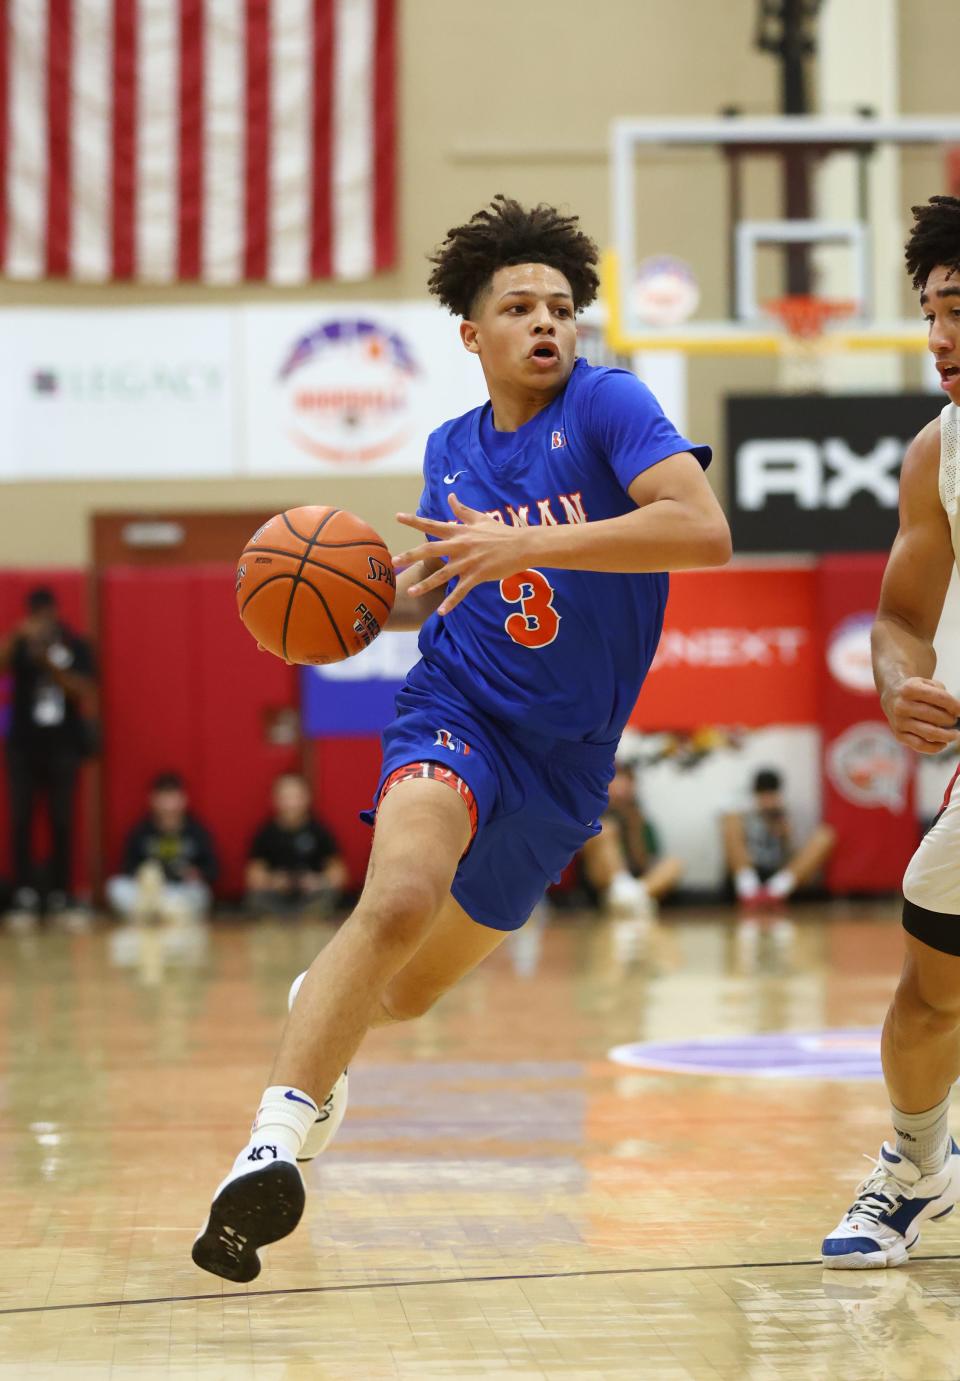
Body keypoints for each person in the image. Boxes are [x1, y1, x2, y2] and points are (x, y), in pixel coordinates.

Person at [192, 195, 731, 1282]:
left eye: (564, 307)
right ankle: (273, 1141)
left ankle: (323, 1026)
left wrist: (520, 543)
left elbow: (703, 531)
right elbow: (456, 580)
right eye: (522, 306)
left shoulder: (611, 405)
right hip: (459, 706)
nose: (549, 323)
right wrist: (353, 602)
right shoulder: (449, 447)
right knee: (394, 897)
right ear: (471, 335)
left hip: (568, 761)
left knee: (409, 991)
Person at [822, 195, 960, 1268]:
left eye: (958, 308)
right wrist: (898, 680)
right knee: (930, 995)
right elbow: (901, 617)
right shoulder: (936, 453)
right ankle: (918, 1165)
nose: (940, 338)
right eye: (929, 314)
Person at [0, 587, 96, 924]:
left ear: (56, 613)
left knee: (62, 819)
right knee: (21, 819)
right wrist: (17, 638)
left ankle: (60, 893)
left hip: (62, 748)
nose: (41, 622)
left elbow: (83, 690)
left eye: (46, 615)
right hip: (23, 748)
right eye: (35, 616)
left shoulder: (73, 645)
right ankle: (24, 893)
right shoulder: (20, 645)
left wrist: (51, 663)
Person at [105, 772, 218, 924]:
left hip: (179, 891)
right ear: (152, 800)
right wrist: (143, 875)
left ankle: (164, 915)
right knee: (115, 886)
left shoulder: (196, 832)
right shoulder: (141, 832)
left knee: (201, 893)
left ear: (183, 800)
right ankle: (154, 914)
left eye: (172, 798)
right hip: (148, 895)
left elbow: (213, 869)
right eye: (163, 798)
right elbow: (127, 867)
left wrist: (195, 873)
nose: (168, 805)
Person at [579, 757, 682, 916]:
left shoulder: (640, 821)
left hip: (637, 881)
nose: (620, 793)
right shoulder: (589, 817)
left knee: (675, 864)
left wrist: (634, 829)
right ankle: (626, 894)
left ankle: (630, 898)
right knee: (604, 830)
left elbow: (644, 863)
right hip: (602, 884)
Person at [722, 767, 835, 906]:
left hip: (780, 878)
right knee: (730, 821)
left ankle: (773, 894)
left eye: (771, 794)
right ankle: (750, 892)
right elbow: (733, 849)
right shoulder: (743, 815)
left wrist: (786, 834)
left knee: (824, 836)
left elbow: (799, 857)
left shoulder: (788, 815)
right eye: (763, 795)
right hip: (749, 874)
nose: (767, 800)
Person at [244, 773, 347, 916]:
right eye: (285, 797)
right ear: (275, 800)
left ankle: (308, 915)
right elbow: (253, 876)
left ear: (307, 798)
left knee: (328, 895)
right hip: (277, 897)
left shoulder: (320, 832)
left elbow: (339, 874)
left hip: (310, 896)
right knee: (256, 898)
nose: (291, 803)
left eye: (296, 797)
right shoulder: (266, 834)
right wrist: (274, 881)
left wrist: (316, 881)